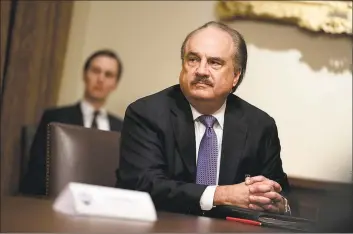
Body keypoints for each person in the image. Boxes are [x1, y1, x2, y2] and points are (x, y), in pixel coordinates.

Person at [116, 21, 291, 216]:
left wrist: (277, 203)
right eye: (193, 59)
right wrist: (221, 194)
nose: (201, 71)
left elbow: (283, 194)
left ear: (235, 75)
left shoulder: (260, 126)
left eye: (214, 62)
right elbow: (144, 184)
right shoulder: (146, 113)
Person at [20, 49, 124, 195]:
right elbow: (38, 170)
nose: (100, 79)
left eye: (108, 75)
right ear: (84, 74)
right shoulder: (55, 117)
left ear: (115, 84)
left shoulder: (123, 129)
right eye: (95, 71)